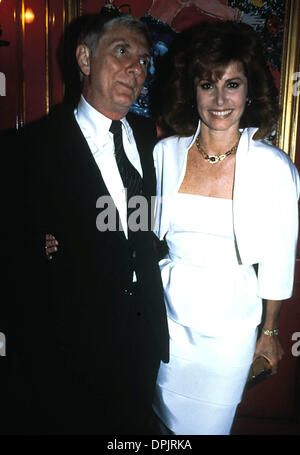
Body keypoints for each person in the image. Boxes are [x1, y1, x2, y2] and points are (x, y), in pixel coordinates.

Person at [10, 10, 169, 435]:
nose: (136, 68)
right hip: (69, 353)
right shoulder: (30, 149)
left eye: (144, 60)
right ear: (84, 58)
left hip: (143, 340)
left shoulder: (149, 136)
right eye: (122, 52)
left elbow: (142, 226)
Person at [151, 21, 299, 435]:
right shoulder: (165, 154)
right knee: (160, 430)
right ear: (191, 90)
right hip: (166, 322)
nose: (219, 99)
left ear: (249, 91)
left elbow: (278, 259)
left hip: (229, 331)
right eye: (207, 85)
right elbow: (137, 226)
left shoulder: (273, 168)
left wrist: (269, 334)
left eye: (232, 84)